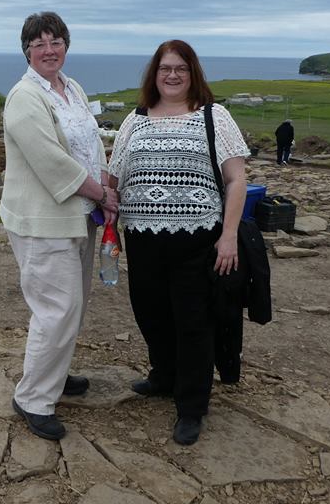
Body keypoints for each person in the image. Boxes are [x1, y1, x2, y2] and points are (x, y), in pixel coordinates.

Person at [108, 39, 249, 446]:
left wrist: (228, 238)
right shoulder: (135, 120)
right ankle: (164, 376)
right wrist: (110, 211)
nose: (172, 75)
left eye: (181, 69)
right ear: (154, 74)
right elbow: (114, 178)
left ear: (193, 75)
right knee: (150, 312)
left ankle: (191, 406)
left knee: (193, 321)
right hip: (143, 237)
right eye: (165, 68)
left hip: (198, 238)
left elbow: (237, 179)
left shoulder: (213, 117)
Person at [0, 12, 118, 441]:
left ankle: (55, 374)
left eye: (56, 41)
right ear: (26, 51)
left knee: (74, 304)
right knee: (57, 308)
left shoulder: (72, 88)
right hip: (42, 221)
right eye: (39, 44)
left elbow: (90, 145)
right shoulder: (24, 97)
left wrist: (105, 186)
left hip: (78, 216)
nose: (49, 50)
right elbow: (52, 162)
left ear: (66, 44)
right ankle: (33, 398)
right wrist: (102, 194)